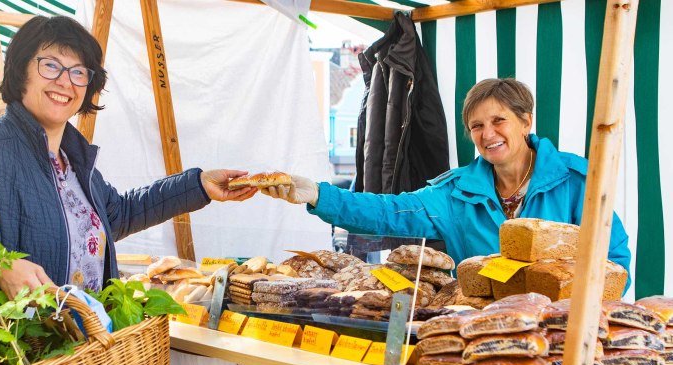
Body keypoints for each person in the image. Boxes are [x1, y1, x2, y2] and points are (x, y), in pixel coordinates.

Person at [0, 16, 255, 297]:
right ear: (21, 72)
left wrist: (199, 186)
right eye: (51, 65)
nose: (65, 81)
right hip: (15, 363)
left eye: (79, 72)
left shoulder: (73, 159)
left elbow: (119, 213)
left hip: (75, 363)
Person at [262, 78, 632, 285]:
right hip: (476, 331)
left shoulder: (575, 181)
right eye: (477, 126)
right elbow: (388, 212)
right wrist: (317, 195)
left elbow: (614, 260)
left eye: (498, 121)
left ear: (526, 121)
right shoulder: (457, 192)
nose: (488, 134)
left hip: (559, 333)